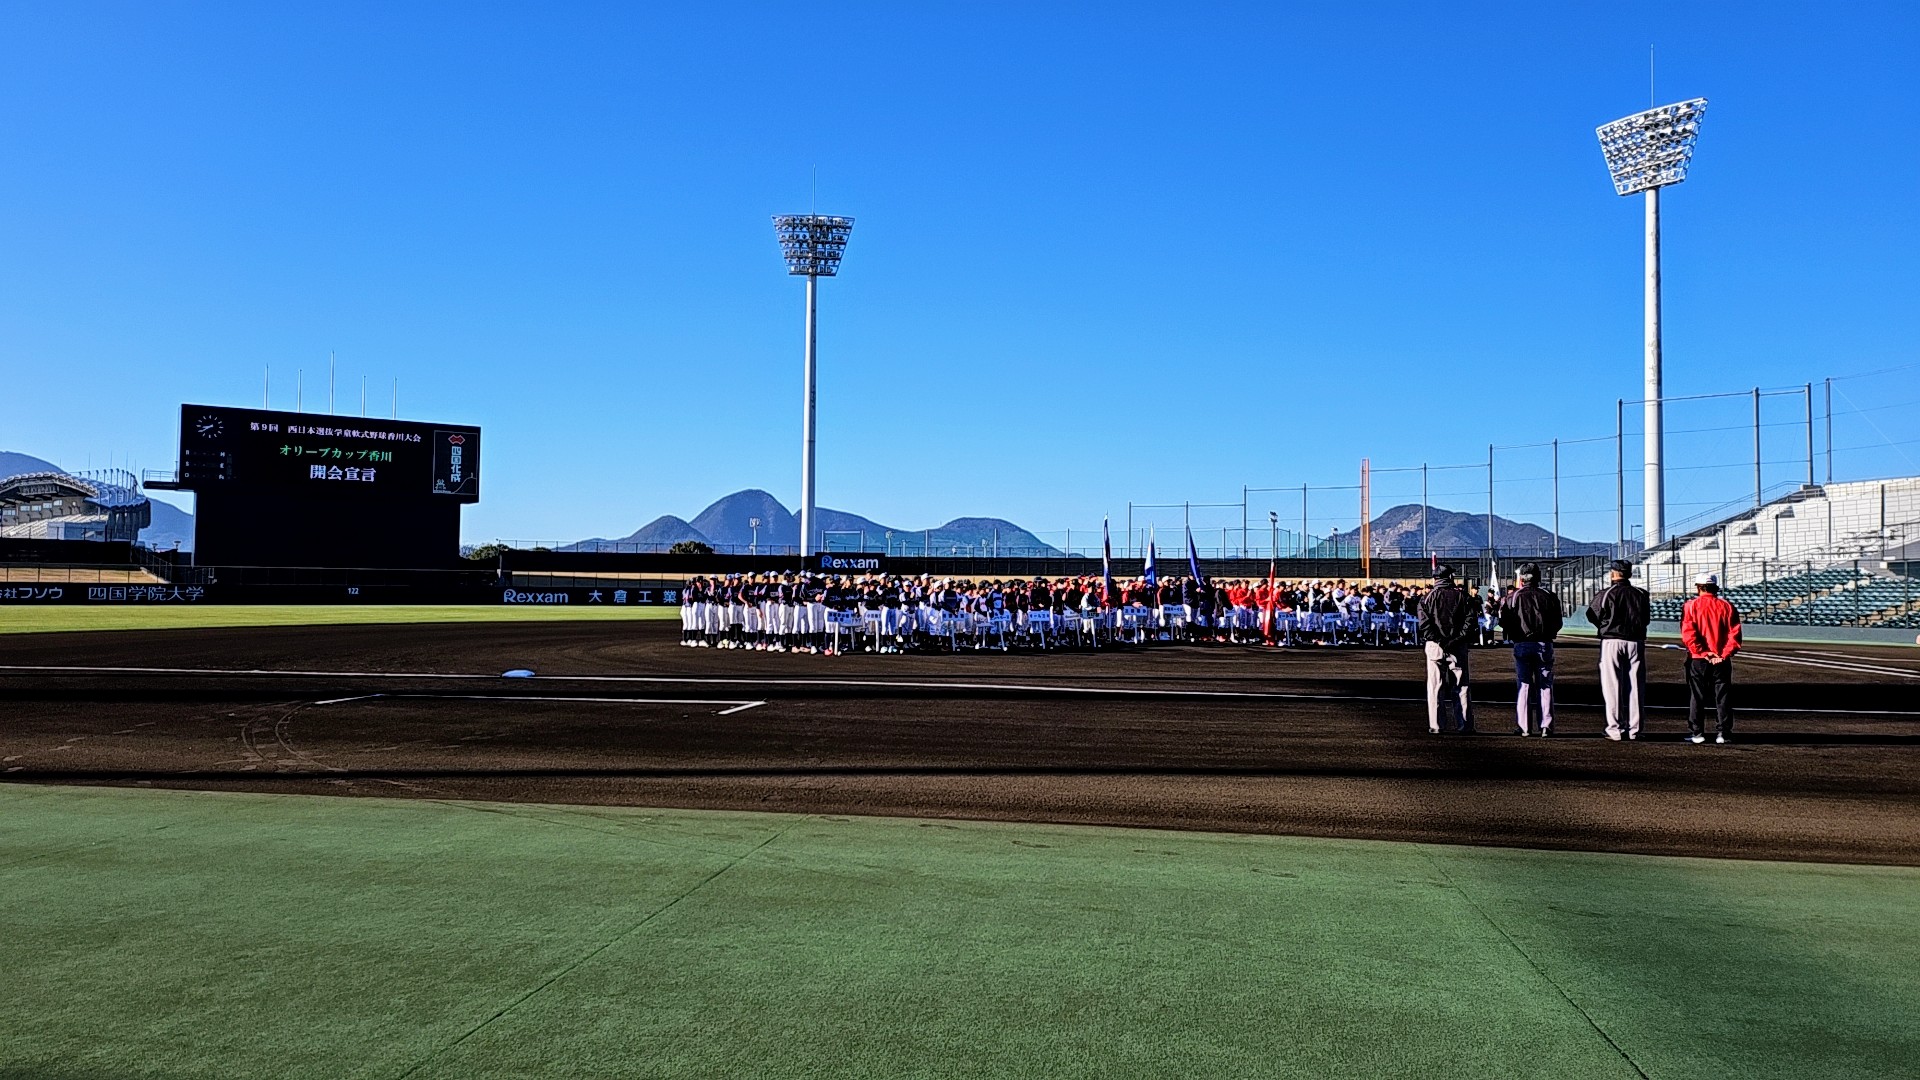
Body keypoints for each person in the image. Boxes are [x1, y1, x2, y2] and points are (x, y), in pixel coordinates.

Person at [1586, 559, 1650, 741]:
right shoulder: (1640, 593)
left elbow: (1592, 614)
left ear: (1613, 573)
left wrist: (1604, 625)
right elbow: (1646, 618)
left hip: (1612, 640)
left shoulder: (1607, 593)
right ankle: (1634, 730)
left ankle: (1615, 729)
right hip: (1635, 641)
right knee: (1636, 687)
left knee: (1612, 685)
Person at [1499, 562, 1563, 736]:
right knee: (1545, 684)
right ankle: (1546, 726)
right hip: (1543, 643)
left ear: (1521, 578)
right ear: (1538, 577)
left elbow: (1503, 621)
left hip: (1521, 643)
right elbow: (1558, 621)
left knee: (1524, 684)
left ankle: (1524, 727)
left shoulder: (1512, 597)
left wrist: (1516, 634)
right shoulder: (1549, 595)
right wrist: (1548, 633)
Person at [1679, 571, 1742, 744]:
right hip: (1721, 660)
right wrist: (1722, 654)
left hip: (1699, 658)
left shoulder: (1691, 606)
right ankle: (1723, 733)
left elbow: (1689, 635)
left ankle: (1697, 733)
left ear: (1699, 587)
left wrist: (1704, 652)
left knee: (1697, 696)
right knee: (1722, 696)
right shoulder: (1727, 606)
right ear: (1715, 587)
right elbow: (1734, 636)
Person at [1417, 566, 1477, 734]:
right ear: (1450, 577)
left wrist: (1439, 640)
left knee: (1435, 686)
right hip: (1457, 646)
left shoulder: (1427, 598)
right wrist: (1456, 639)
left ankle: (1436, 725)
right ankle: (1464, 725)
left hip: (1435, 646)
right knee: (1461, 686)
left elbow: (1424, 624)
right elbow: (1470, 620)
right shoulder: (1462, 596)